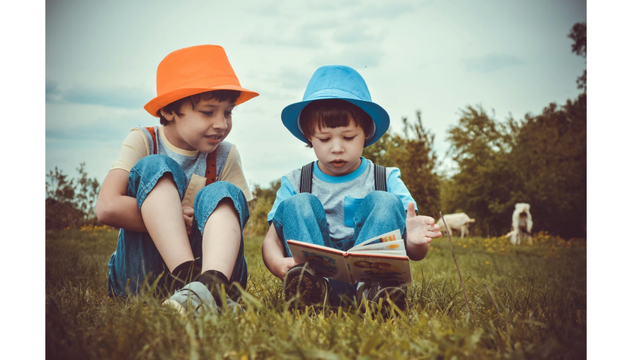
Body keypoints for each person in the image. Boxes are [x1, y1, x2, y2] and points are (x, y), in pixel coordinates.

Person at [261, 65, 442, 311]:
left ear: (366, 132)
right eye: (324, 139)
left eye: (348, 137)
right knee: (297, 203)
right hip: (317, 277)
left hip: (372, 278)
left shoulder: (386, 178)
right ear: (308, 136)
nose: (336, 148)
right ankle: (311, 293)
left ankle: (375, 295)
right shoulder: (295, 181)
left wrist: (416, 242)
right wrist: (276, 263)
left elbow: (414, 252)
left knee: (386, 201)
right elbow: (271, 240)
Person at [96, 45, 258, 315]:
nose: (221, 123)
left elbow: (239, 215)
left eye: (228, 112)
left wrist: (207, 219)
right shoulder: (144, 140)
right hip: (142, 277)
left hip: (213, 267)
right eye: (208, 112)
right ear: (170, 110)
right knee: (156, 166)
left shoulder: (226, 154)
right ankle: (192, 284)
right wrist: (170, 219)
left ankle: (211, 285)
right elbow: (107, 207)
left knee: (224, 192)